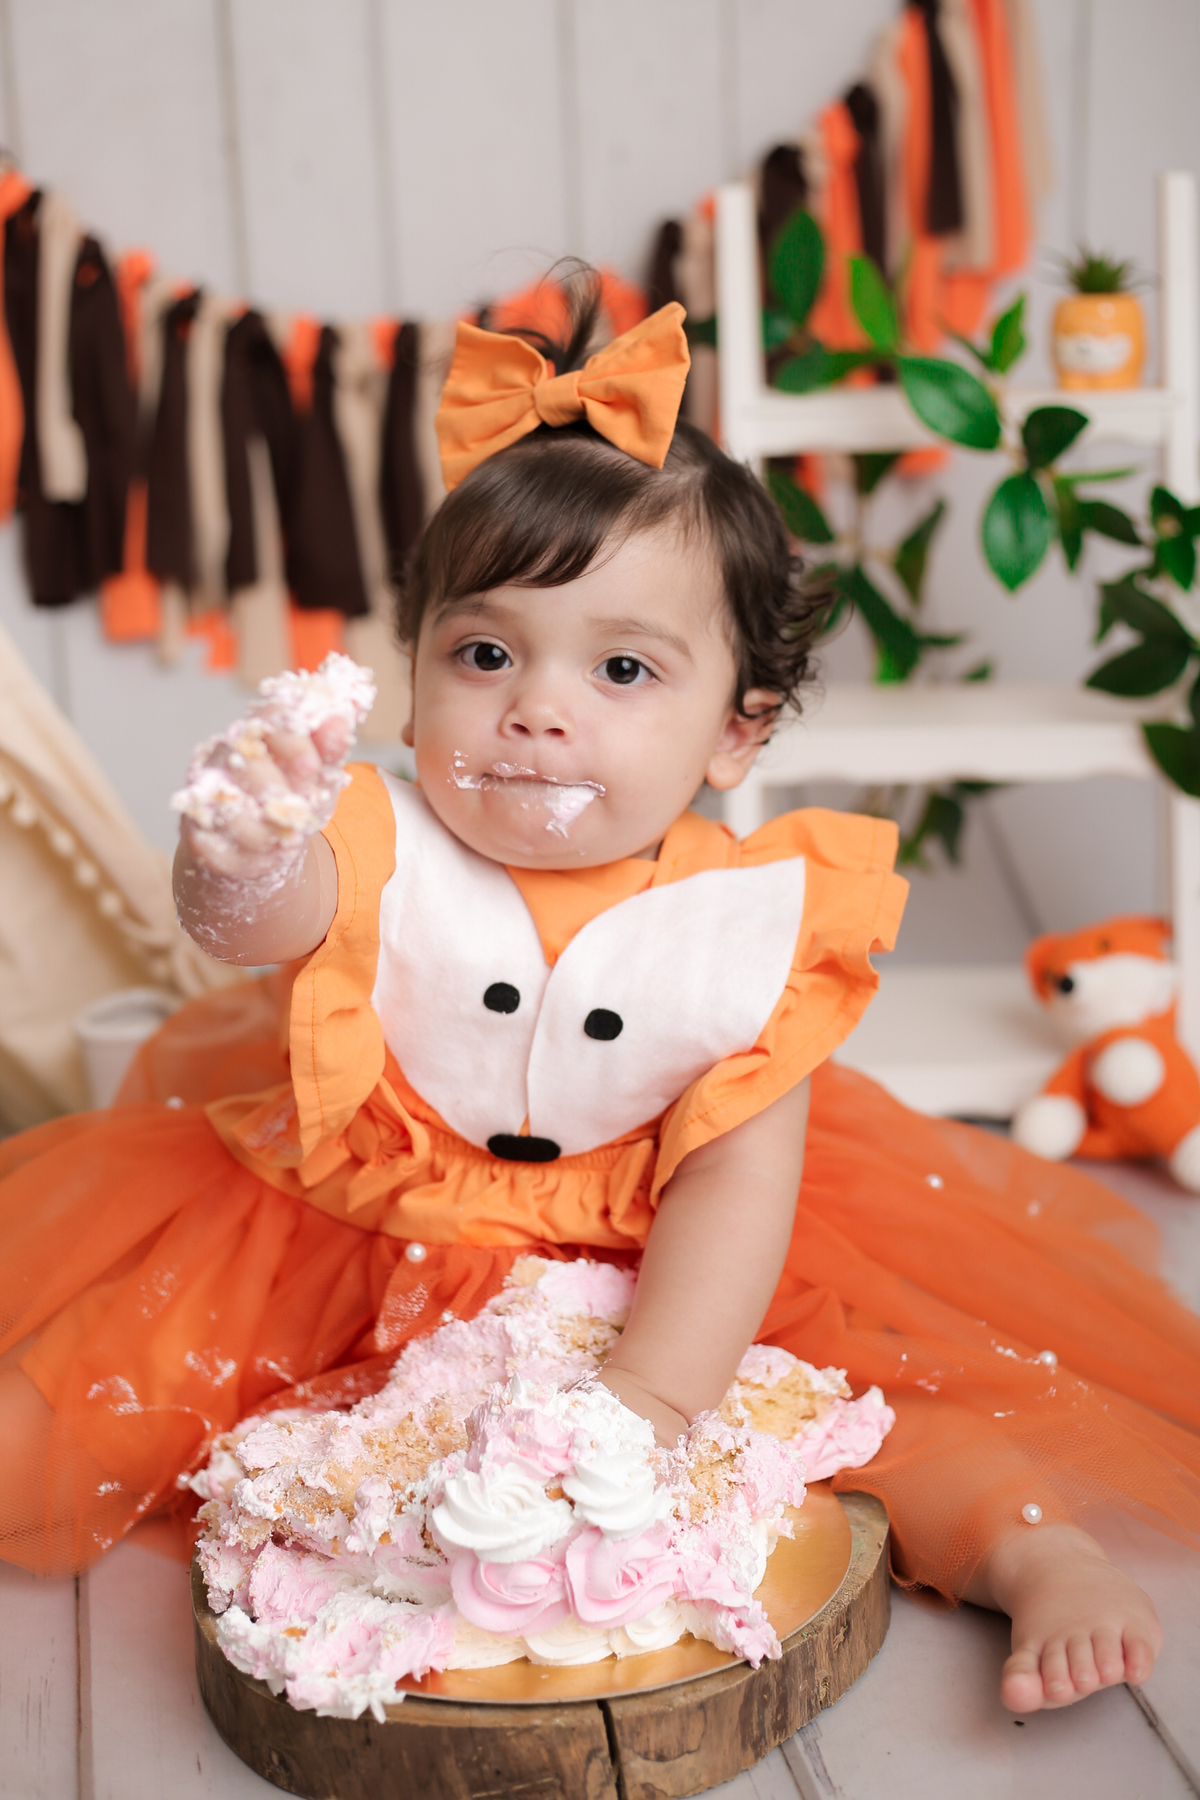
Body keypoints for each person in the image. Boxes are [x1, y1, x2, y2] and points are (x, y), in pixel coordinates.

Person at [1, 282, 1198, 1719]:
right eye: (485, 653)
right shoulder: (379, 837)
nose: (537, 706)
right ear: (416, 678)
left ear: (738, 730)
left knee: (847, 1393)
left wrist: (645, 1402)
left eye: (623, 668)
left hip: (665, 1261)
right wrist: (239, 847)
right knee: (118, 1365)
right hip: (354, 1225)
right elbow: (259, 925)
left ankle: (1030, 1551)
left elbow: (733, 1189)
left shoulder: (747, 931)